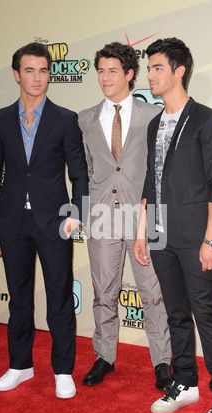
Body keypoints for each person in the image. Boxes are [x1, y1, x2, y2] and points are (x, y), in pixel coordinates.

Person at [133, 38, 212, 413]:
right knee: (175, 313)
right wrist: (142, 234)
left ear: (179, 71)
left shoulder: (208, 120)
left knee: (205, 314)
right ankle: (185, 382)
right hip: (160, 237)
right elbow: (150, 181)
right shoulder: (155, 124)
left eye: (157, 67)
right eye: (150, 68)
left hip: (197, 238)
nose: (151, 75)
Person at [0, 42, 88, 399]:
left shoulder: (65, 119)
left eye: (43, 70)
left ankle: (62, 370)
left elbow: (79, 174)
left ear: (49, 75)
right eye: (29, 70)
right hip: (11, 222)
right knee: (19, 299)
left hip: (55, 221)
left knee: (59, 297)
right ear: (16, 75)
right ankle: (20, 365)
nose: (37, 77)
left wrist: (77, 213)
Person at [79, 42, 172, 390]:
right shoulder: (85, 118)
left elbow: (159, 170)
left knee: (154, 293)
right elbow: (87, 169)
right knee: (104, 291)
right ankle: (104, 356)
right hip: (102, 216)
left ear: (130, 74)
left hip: (145, 215)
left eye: (112, 71)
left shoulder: (153, 115)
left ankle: (163, 361)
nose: (105, 77)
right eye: (100, 71)